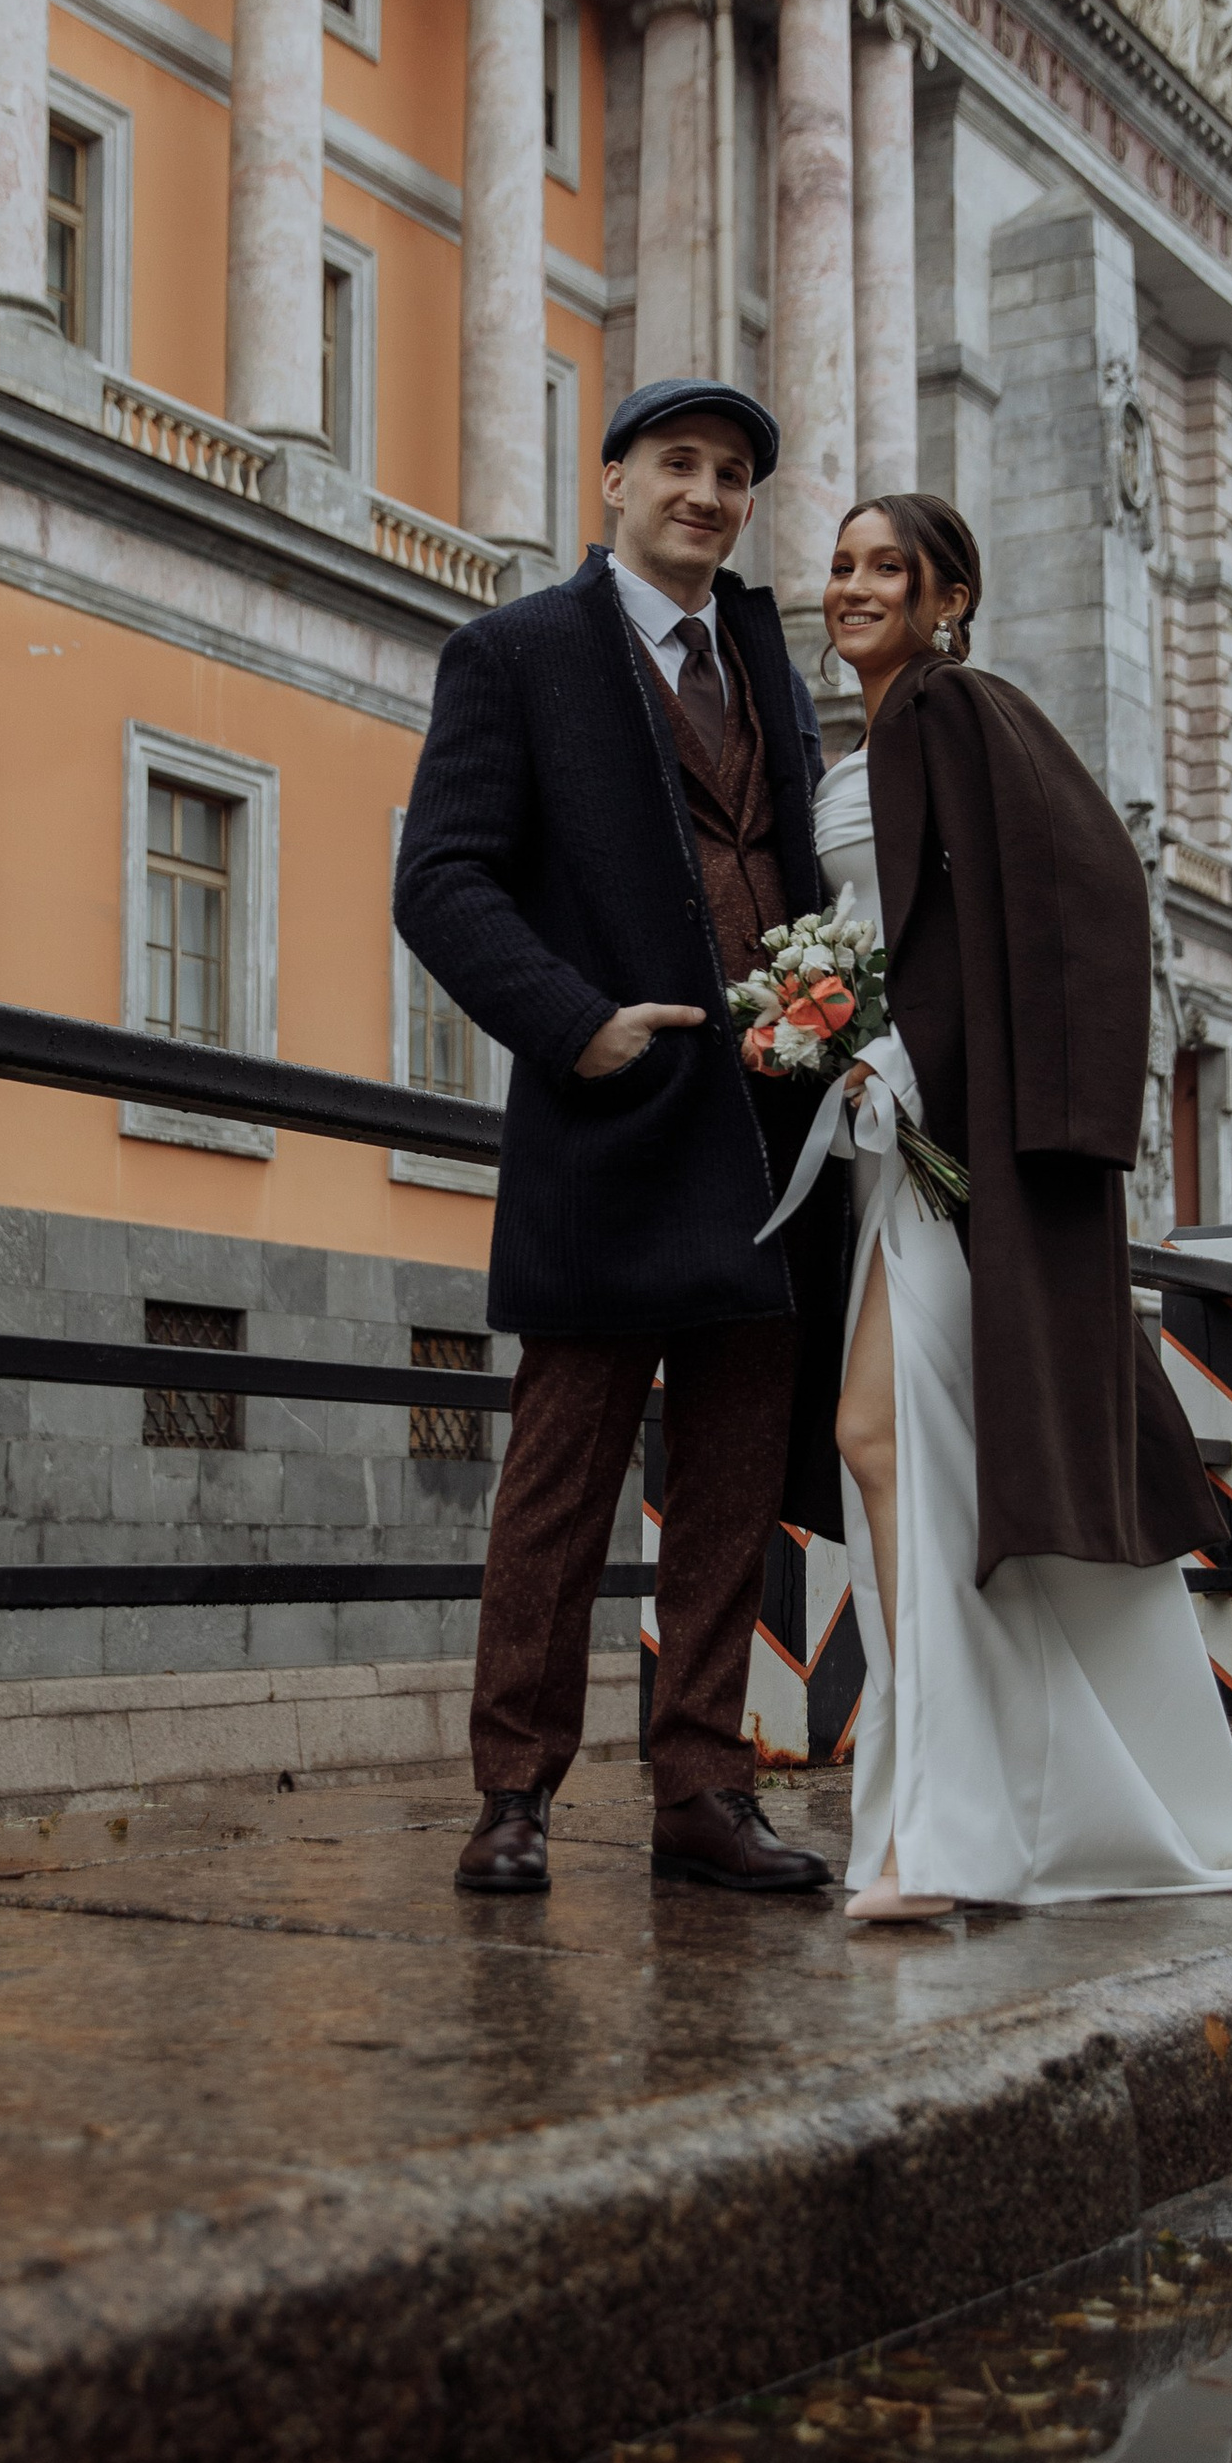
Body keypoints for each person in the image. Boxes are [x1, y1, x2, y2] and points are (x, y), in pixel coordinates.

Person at [808, 493, 1232, 1921]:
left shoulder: (953, 712)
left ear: (947, 593)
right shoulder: (892, 731)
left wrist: (919, 1055)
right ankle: (990, 1808)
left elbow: (1086, 891)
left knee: (892, 1439)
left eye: (885, 568)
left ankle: (943, 1826)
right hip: (887, 1155)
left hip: (936, 1152)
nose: (852, 585)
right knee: (918, 1453)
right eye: (842, 564)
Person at [394, 379, 850, 1897]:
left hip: (768, 1142)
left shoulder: (767, 670)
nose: (708, 494)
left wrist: (836, 1025)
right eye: (678, 464)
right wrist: (571, 1019)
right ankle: (512, 1791)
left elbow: (787, 872)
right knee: (560, 1481)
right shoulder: (515, 653)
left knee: (731, 1483)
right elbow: (443, 879)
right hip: (609, 1123)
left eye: (732, 476)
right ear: (613, 480)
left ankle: (703, 1791)